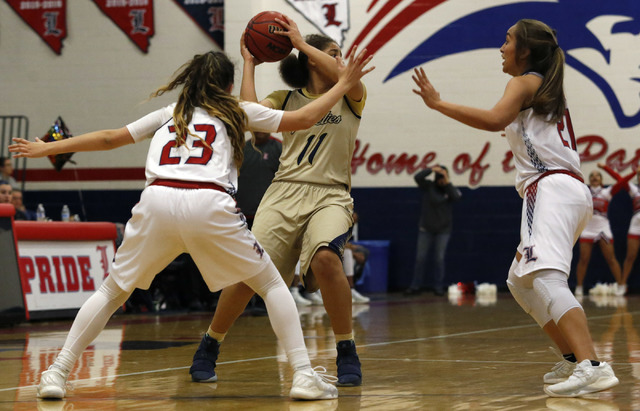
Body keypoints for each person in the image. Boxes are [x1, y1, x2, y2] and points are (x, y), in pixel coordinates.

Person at [10, 45, 373, 400]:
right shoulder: (234, 110)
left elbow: (109, 138)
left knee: (110, 293)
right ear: (228, 86)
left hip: (156, 202)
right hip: (208, 203)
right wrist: (343, 85)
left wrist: (48, 148)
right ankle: (304, 376)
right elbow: (305, 119)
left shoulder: (172, 111)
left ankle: (57, 373)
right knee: (272, 286)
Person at [411, 18, 618, 397]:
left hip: (550, 188)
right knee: (520, 281)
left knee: (545, 278)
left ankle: (592, 365)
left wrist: (438, 103)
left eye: (507, 40)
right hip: (568, 190)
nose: (501, 47)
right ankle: (574, 359)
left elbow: (494, 120)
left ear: (525, 50)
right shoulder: (543, 85)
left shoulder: (523, 81)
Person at [190, 15, 373, 387]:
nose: (341, 61)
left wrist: (301, 43)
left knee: (326, 259)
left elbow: (343, 76)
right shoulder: (287, 99)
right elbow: (251, 117)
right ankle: (210, 343)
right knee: (249, 274)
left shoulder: (351, 93)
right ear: (310, 61)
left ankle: (346, 349)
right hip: (284, 190)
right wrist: (249, 64)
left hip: (331, 193)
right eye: (333, 54)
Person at [405, 165, 462, 296]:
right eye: (440, 176)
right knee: (420, 258)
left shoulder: (449, 189)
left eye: (444, 176)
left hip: (443, 230)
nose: (442, 179)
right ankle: (415, 286)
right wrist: (431, 169)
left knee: (439, 258)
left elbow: (457, 197)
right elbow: (417, 177)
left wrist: (447, 182)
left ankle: (438, 287)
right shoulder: (429, 186)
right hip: (426, 228)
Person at [574, 165, 625, 297]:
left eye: (597, 175)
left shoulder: (606, 192)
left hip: (603, 228)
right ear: (589, 180)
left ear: (601, 180)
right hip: (588, 227)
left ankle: (621, 285)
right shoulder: (584, 191)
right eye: (592, 176)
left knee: (611, 258)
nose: (594, 177)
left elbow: (622, 181)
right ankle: (579, 287)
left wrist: (606, 168)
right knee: (583, 259)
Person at [600, 164, 640, 294]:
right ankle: (622, 284)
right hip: (636, 224)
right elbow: (619, 178)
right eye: (639, 176)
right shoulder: (634, 190)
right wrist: (605, 168)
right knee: (630, 256)